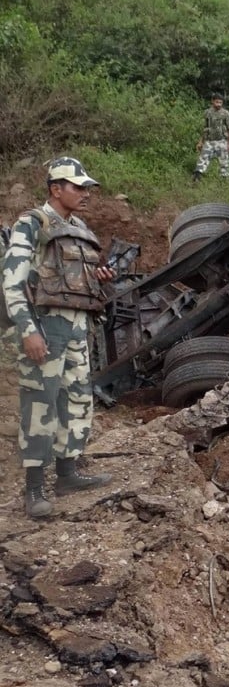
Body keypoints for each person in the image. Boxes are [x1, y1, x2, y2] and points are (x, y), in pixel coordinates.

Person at [1, 157, 116, 518]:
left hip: (77, 329)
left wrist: (98, 276)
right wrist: (29, 331)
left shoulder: (79, 227)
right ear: (56, 189)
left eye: (86, 188)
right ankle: (34, 489)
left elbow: (72, 279)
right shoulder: (31, 224)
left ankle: (67, 475)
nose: (85, 193)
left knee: (78, 401)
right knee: (40, 405)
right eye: (77, 187)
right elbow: (13, 283)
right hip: (44, 327)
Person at [193, 92, 229, 182]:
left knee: (224, 161)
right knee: (203, 158)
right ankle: (197, 177)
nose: (219, 104)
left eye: (220, 102)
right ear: (212, 101)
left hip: (222, 140)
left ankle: (224, 180)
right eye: (217, 102)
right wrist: (201, 142)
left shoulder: (225, 113)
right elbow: (205, 128)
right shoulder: (208, 113)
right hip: (209, 140)